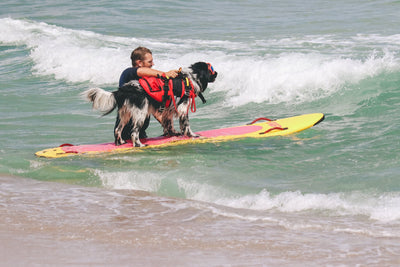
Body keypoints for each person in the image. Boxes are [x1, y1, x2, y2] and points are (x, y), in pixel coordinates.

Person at [115, 47, 179, 140]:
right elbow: (140, 71)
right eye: (150, 62)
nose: (153, 64)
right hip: (125, 134)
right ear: (139, 63)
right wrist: (165, 74)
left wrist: (169, 130)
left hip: (140, 133)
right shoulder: (128, 73)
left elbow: (155, 111)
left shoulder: (148, 82)